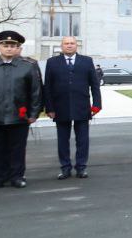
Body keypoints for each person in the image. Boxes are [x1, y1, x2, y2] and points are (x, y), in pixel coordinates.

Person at [0, 31, 42, 189]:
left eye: (13, 46)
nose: (9, 49)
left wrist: (33, 113)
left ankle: (17, 177)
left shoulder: (27, 67)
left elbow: (36, 91)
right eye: (6, 45)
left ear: (18, 47)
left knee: (17, 149)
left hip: (19, 116)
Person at [43, 36, 102, 179]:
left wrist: (96, 105)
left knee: (82, 140)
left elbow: (94, 84)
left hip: (82, 106)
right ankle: (65, 168)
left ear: (77, 45)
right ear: (61, 46)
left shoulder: (87, 61)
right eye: (66, 43)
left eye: (72, 43)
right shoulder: (52, 62)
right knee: (62, 140)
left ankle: (81, 167)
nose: (69, 46)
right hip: (60, 107)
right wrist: (49, 108)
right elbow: (48, 87)